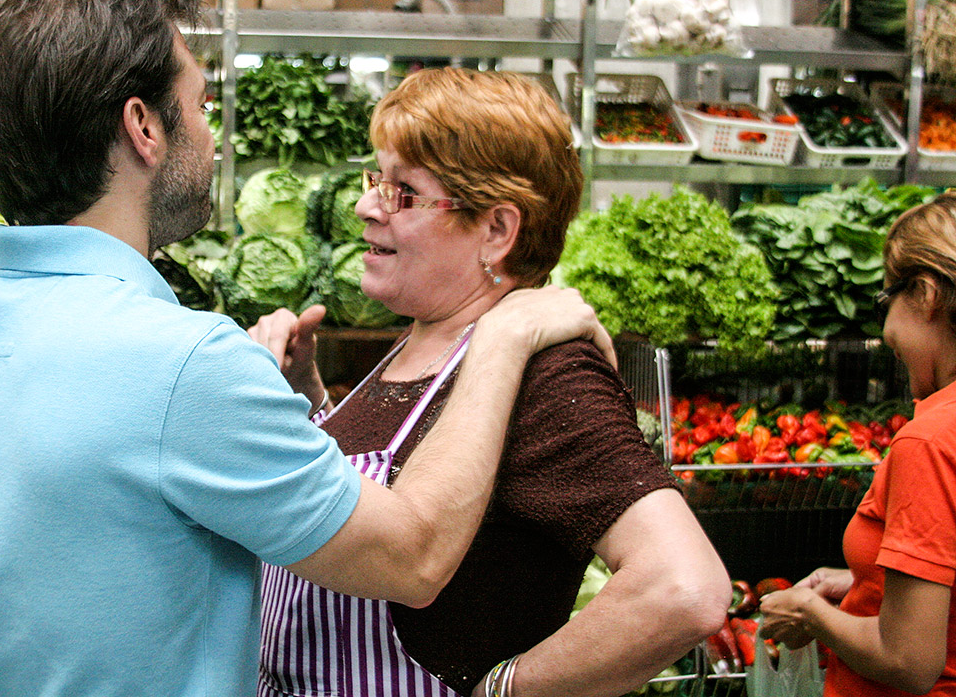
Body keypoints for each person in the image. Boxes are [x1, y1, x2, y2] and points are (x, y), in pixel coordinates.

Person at [0, 0, 616, 697]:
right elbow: (413, 557)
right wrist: (505, 337)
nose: (211, 129)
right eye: (198, 103)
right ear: (143, 128)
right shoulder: (186, 364)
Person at [249, 67, 731, 697]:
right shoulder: (427, 336)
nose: (367, 205)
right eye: (376, 180)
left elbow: (684, 588)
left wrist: (505, 690)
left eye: (404, 192)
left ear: (498, 232)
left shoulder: (549, 375)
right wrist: (312, 403)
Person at [760, 192, 956, 697]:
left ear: (927, 294)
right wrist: (863, 583)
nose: (884, 327)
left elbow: (907, 659)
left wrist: (810, 612)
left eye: (885, 299)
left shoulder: (931, 440)